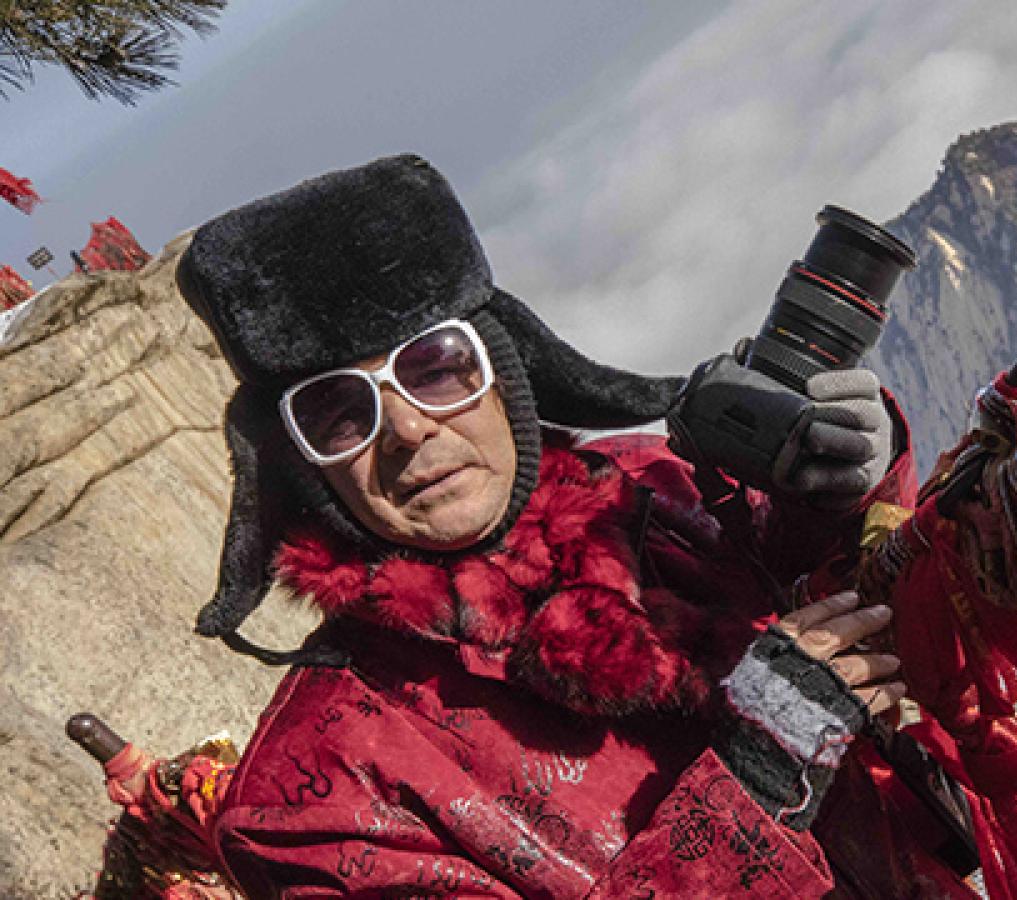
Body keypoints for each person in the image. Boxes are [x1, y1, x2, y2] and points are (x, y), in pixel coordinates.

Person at [171, 154, 975, 897]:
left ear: (503, 369)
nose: (408, 429)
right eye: (340, 412)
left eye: (434, 367)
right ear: (299, 465)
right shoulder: (311, 796)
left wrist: (847, 493)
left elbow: (897, 617)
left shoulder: (659, 486)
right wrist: (754, 783)